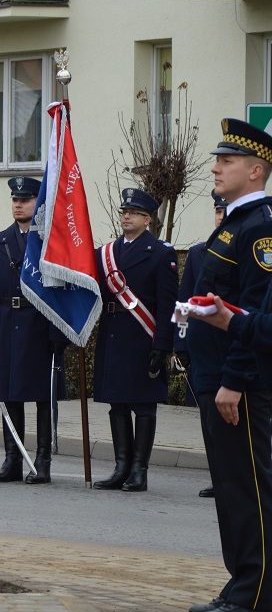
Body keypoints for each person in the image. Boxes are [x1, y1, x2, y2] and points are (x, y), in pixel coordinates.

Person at [182, 118, 272, 612]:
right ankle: (241, 584)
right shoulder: (237, 221)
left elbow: (253, 311)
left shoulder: (259, 227)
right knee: (232, 486)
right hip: (216, 376)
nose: (215, 167)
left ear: (256, 170)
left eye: (228, 160)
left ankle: (256, 596)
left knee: (250, 490)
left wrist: (234, 381)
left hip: (237, 383)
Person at [0, 177, 64, 484]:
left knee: (42, 396)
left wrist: (57, 334)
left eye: (25, 200)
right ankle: (12, 458)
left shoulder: (50, 242)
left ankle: (42, 460)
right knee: (8, 395)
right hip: (6, 324)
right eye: (14, 200)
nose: (18, 205)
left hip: (39, 324)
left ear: (37, 204)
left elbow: (59, 292)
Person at [92, 188, 177, 493]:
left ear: (147, 219)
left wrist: (163, 345)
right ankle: (121, 467)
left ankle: (139, 470)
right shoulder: (106, 253)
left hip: (143, 336)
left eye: (133, 213)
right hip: (114, 333)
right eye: (123, 212)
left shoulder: (161, 252)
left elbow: (168, 304)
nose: (126, 216)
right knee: (117, 405)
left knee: (143, 406)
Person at [173, 189, 227, 499]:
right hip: (204, 352)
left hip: (234, 347)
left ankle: (238, 478)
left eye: (226, 211)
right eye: (217, 212)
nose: (221, 216)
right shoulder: (198, 253)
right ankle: (218, 477)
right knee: (209, 420)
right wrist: (180, 344)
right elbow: (183, 304)